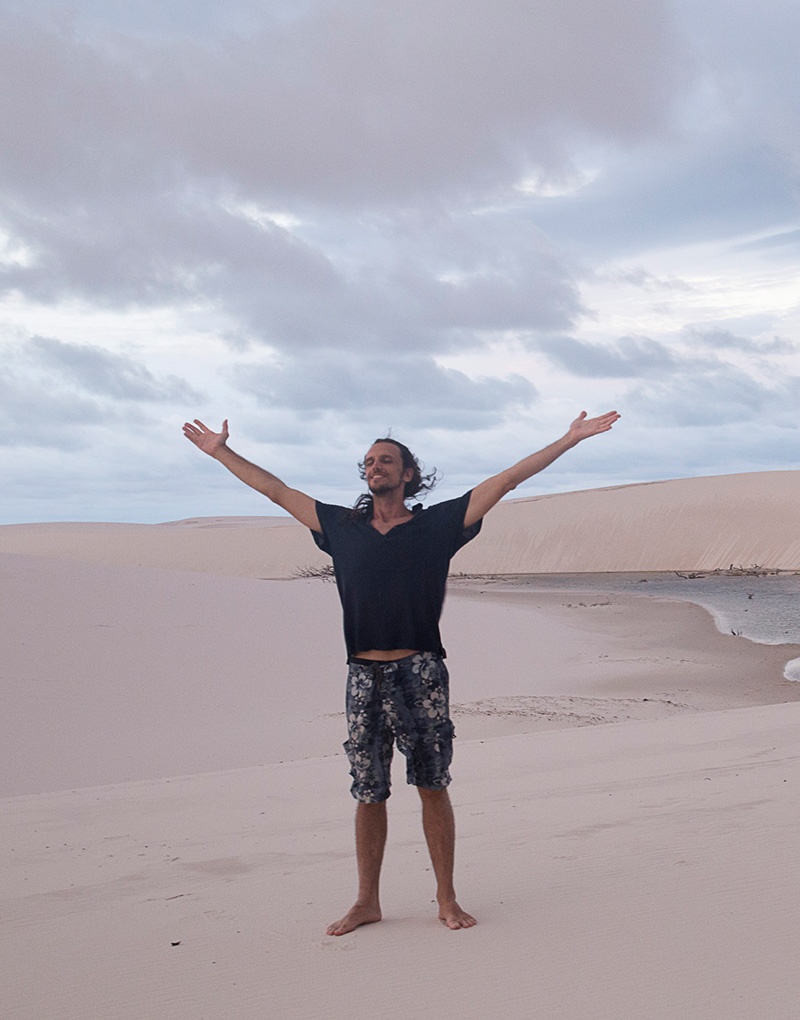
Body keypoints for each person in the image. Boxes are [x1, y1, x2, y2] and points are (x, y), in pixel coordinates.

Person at [182, 410, 620, 934]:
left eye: (386, 460)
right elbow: (276, 490)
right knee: (368, 790)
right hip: (362, 674)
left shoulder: (438, 525)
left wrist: (568, 439)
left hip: (421, 670)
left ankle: (446, 898)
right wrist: (221, 453)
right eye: (368, 462)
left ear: (408, 473)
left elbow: (507, 479)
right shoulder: (341, 528)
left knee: (432, 784)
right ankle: (367, 901)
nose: (375, 467)